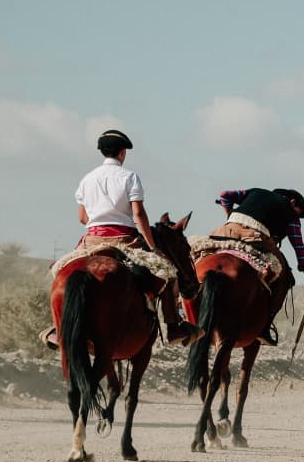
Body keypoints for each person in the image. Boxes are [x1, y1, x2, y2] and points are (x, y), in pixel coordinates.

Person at [42, 130, 203, 348]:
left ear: (102, 152)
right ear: (122, 152)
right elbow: (138, 215)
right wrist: (154, 248)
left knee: (59, 271)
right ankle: (173, 328)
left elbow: (82, 217)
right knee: (168, 272)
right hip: (124, 240)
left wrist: (99, 222)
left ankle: (56, 328)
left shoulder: (87, 179)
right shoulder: (129, 177)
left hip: (91, 241)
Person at [212, 186, 304, 346]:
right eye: (299, 211)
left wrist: (229, 214)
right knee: (285, 278)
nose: (298, 215)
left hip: (224, 231)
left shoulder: (254, 192)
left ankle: (182, 309)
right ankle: (265, 326)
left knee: (196, 255)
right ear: (293, 202)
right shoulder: (291, 215)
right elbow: (300, 249)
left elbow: (224, 195)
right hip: (255, 237)